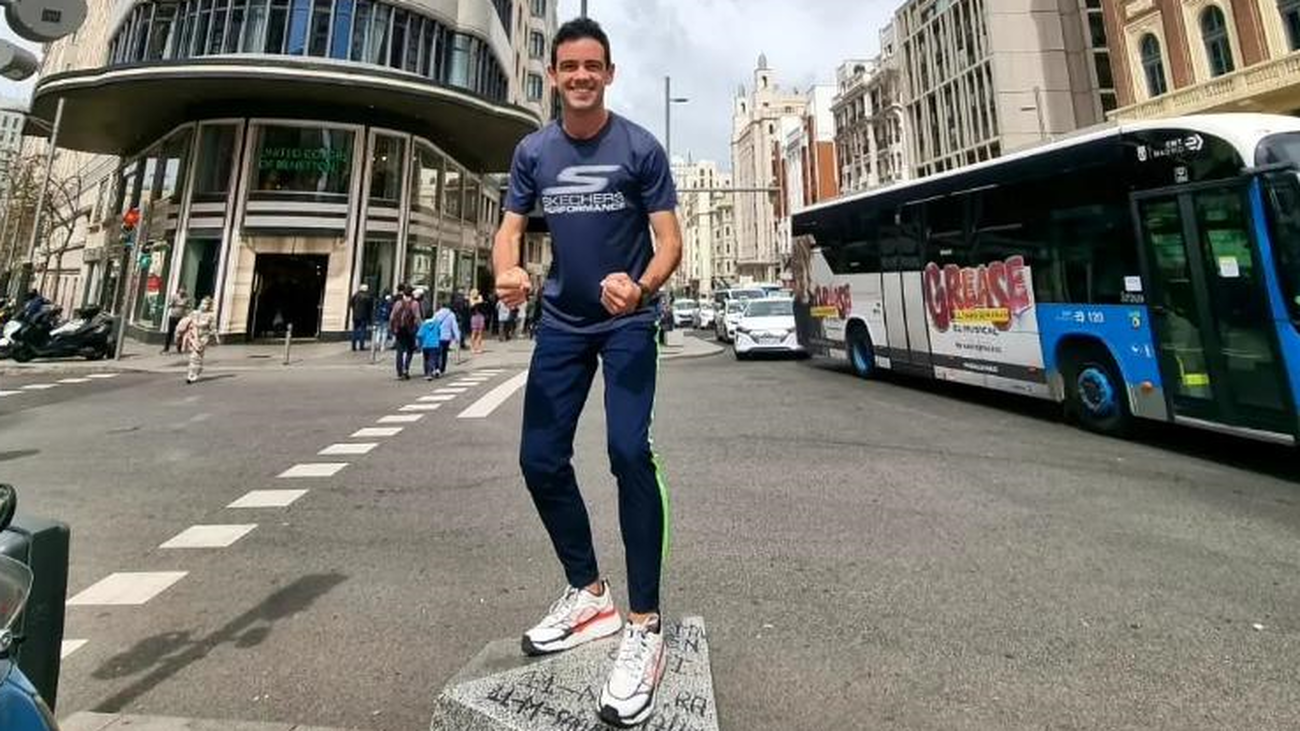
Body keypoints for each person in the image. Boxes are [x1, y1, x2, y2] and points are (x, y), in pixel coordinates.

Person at [493, 17, 683, 728]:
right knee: (539, 458)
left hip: (627, 318)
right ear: (554, 76)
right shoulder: (532, 151)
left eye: (591, 66)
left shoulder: (640, 147)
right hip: (564, 322)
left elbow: (670, 243)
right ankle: (589, 591)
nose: (579, 76)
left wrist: (640, 286)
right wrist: (506, 270)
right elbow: (510, 228)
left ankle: (643, 624)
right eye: (568, 66)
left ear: (609, 73)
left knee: (629, 451)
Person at [176, 296, 219, 384]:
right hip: (194, 336)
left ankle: (195, 371)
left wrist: (216, 338)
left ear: (209, 305)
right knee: (193, 355)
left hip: (203, 337)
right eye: (203, 303)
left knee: (197, 355)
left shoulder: (211, 316)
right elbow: (187, 321)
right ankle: (191, 373)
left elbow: (213, 328)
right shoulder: (195, 313)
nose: (204, 305)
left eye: (206, 304)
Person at [419, 299, 462, 379]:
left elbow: (432, 323)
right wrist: (457, 337)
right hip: (447, 337)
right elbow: (454, 326)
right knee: (444, 353)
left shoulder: (437, 314)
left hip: (437, 337)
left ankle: (436, 368)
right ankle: (441, 369)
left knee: (437, 353)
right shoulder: (451, 315)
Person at [389, 287, 420, 380]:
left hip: (399, 330)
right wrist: (419, 328)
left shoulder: (398, 303)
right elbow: (417, 317)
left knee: (400, 351)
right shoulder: (415, 304)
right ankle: (406, 368)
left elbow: (392, 317)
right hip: (410, 330)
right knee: (410, 350)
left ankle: (399, 372)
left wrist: (392, 328)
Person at [162, 287, 192, 354]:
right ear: (178, 290)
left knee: (180, 333)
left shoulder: (186, 298)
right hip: (173, 316)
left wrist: (187, 312)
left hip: (181, 317)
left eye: (184, 290)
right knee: (170, 332)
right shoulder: (174, 297)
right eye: (181, 289)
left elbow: (189, 306)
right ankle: (166, 348)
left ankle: (179, 348)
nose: (182, 291)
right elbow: (170, 305)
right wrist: (175, 304)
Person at [349, 283, 374, 352]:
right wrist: (370, 317)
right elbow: (370, 308)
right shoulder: (368, 296)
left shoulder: (355, 295)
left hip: (356, 315)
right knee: (363, 330)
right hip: (364, 316)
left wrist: (355, 310)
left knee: (355, 330)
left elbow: (351, 303)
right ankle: (361, 346)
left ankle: (353, 346)